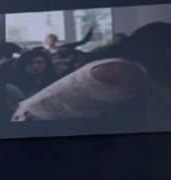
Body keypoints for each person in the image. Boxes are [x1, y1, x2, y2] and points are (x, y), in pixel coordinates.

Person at [13, 22, 171, 123]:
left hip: (35, 119)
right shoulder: (125, 70)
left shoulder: (123, 65)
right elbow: (160, 102)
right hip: (34, 123)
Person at [6, 48, 58, 112]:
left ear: (47, 63)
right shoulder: (14, 85)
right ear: (23, 65)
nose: (35, 66)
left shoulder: (54, 80)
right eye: (30, 63)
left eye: (40, 62)